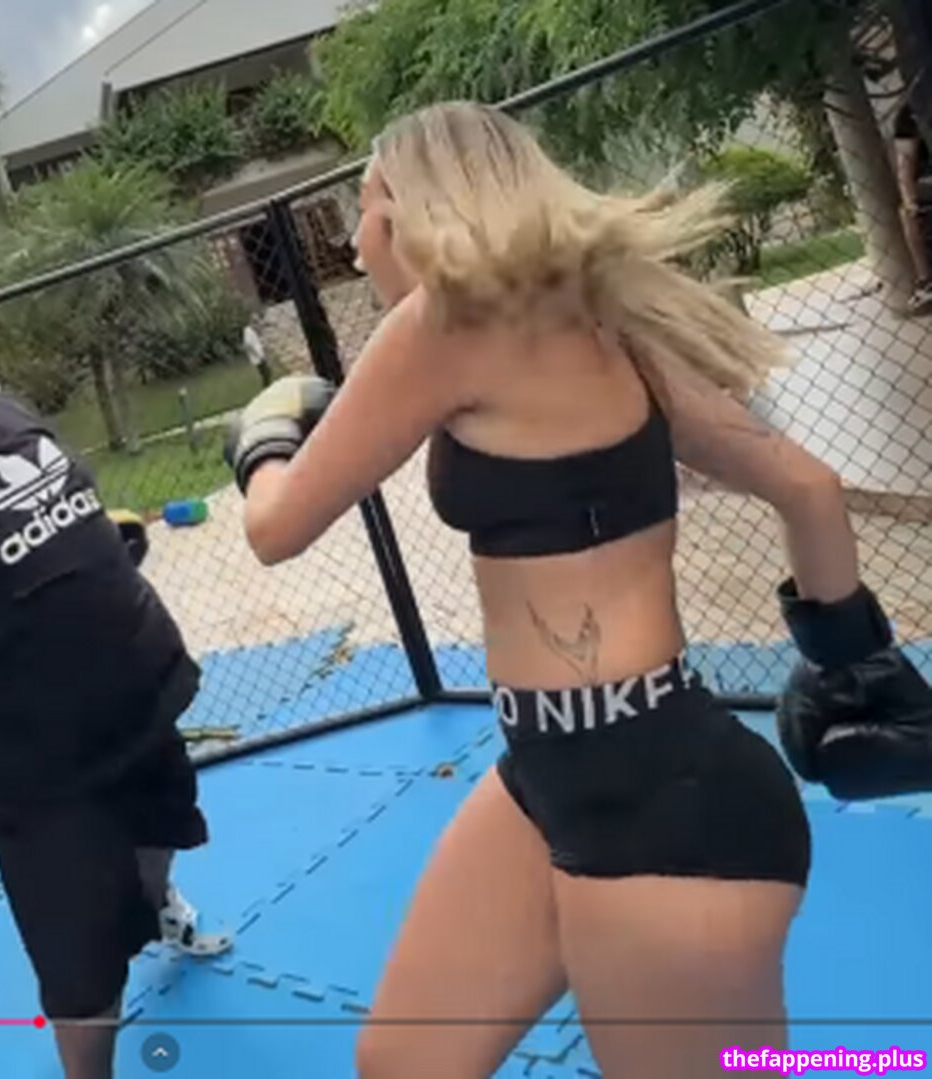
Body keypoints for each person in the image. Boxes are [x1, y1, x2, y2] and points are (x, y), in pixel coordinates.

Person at [223, 102, 932, 1077]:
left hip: (658, 805)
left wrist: (263, 439)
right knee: (403, 1060)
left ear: (419, 207)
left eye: (367, 204)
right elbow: (807, 488)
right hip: (557, 772)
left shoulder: (440, 322)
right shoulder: (605, 325)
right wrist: (848, 660)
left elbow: (276, 527)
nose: (354, 239)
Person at [0, 318, 232, 1079]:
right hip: (43, 783)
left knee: (162, 828)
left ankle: (158, 906)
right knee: (83, 970)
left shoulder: (14, 419)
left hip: (143, 701)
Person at [893, 95, 932, 314]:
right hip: (927, 180)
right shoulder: (909, 114)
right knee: (906, 213)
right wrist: (910, 203)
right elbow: (904, 167)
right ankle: (926, 280)